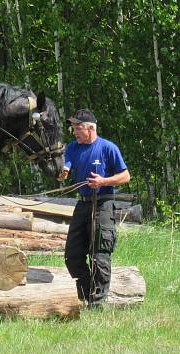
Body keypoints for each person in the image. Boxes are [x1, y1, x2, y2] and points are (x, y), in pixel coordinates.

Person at [57, 109, 130, 307]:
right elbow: (66, 165)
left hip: (103, 203)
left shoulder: (108, 148)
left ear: (91, 129)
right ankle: (85, 296)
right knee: (72, 256)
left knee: (100, 255)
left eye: (78, 128)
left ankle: (97, 304)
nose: (75, 132)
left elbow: (125, 176)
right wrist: (62, 172)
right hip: (82, 204)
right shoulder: (73, 147)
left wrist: (104, 180)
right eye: (73, 128)